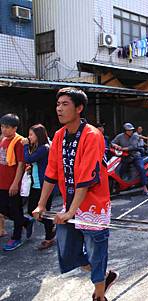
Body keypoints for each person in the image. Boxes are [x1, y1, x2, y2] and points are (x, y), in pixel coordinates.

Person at [32, 87, 118, 301]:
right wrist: (41, 204)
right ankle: (105, 276)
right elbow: (51, 172)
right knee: (68, 253)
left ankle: (99, 295)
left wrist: (71, 212)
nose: (59, 109)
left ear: (79, 108)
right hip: (70, 205)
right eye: (58, 104)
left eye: (65, 104)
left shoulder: (92, 135)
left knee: (96, 254)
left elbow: (86, 178)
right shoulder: (59, 136)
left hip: (93, 207)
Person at [0, 113, 33, 251]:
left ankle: (16, 238)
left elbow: (21, 164)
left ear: (15, 128)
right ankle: (25, 221)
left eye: (7, 127)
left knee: (15, 210)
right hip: (1, 182)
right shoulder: (3, 140)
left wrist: (15, 183)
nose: (4, 130)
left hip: (13, 183)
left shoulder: (19, 141)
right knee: (3, 209)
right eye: (2, 127)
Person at [22, 124, 56, 250]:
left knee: (44, 212)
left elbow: (28, 158)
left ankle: (49, 236)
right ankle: (51, 226)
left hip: (45, 184)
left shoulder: (44, 148)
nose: (29, 137)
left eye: (31, 135)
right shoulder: (38, 147)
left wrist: (25, 145)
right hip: (36, 184)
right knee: (32, 209)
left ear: (39, 135)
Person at [111, 123, 148, 195]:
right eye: (128, 130)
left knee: (141, 168)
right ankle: (118, 187)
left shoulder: (135, 136)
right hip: (125, 157)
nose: (130, 132)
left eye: (131, 130)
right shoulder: (120, 136)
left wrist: (122, 148)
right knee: (120, 170)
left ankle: (145, 188)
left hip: (135, 155)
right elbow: (112, 142)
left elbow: (133, 147)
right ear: (125, 131)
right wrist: (116, 145)